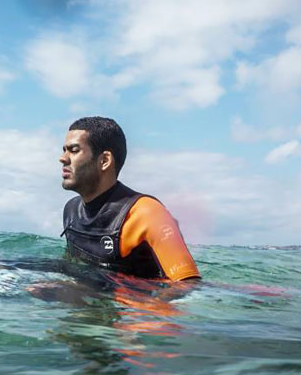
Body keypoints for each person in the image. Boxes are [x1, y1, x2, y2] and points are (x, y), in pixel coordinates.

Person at [59, 116, 201, 282]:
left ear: (104, 161)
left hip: (132, 297)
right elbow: (73, 265)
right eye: (64, 150)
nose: (63, 158)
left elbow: (187, 283)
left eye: (74, 150)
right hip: (93, 292)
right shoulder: (71, 210)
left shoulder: (147, 213)